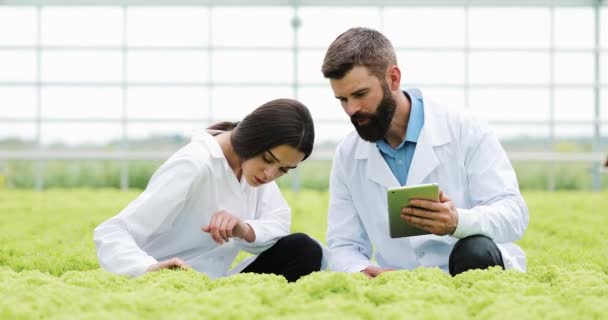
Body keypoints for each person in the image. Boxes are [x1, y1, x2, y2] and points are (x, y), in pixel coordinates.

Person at [322, 27, 529, 278]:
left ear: (393, 79)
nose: (352, 109)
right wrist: (361, 269)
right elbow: (343, 243)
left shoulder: (464, 128)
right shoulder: (348, 154)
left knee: (474, 250)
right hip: (398, 280)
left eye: (360, 94)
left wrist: (457, 222)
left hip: (470, 266)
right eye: (342, 99)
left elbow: (513, 214)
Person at [94, 99, 323, 282]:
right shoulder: (194, 164)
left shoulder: (255, 172)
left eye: (283, 169)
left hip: (214, 282)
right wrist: (147, 268)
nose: (270, 175)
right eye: (268, 159)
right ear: (254, 137)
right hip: (169, 278)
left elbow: (279, 223)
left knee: (304, 249)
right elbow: (112, 231)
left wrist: (242, 229)